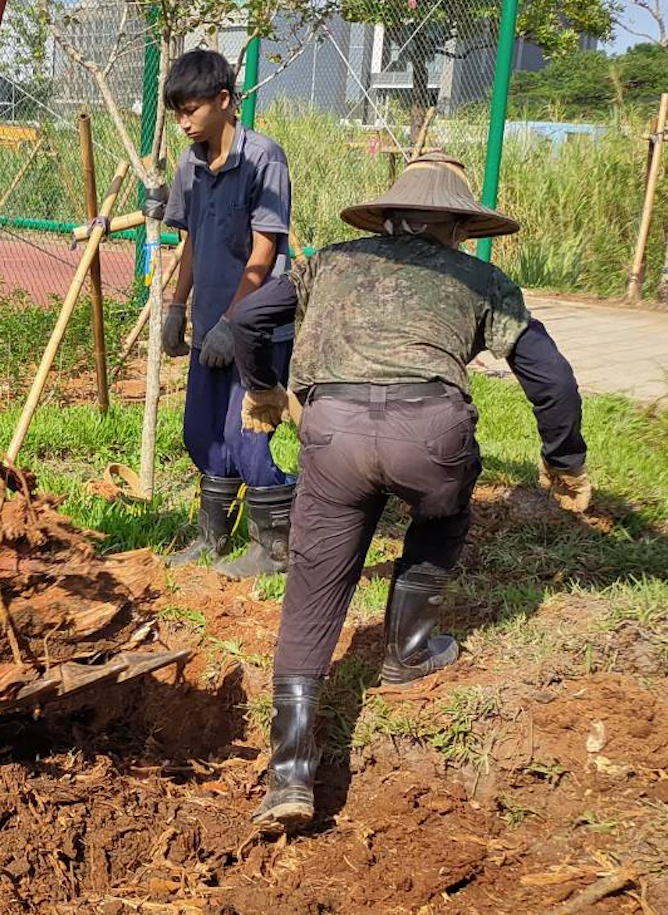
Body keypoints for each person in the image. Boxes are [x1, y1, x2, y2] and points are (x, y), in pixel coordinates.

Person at [227, 152, 590, 833]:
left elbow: (250, 322)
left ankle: (289, 778)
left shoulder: (327, 263)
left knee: (313, 590)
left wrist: (265, 391)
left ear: (389, 215)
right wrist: (563, 459)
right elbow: (552, 377)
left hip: (331, 434)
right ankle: (411, 646)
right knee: (444, 511)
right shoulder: (483, 278)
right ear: (457, 226)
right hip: (431, 435)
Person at [143, 49, 296, 579]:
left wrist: (236, 322)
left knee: (246, 437)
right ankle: (212, 541)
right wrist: (174, 306)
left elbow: (264, 252)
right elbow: (191, 243)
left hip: (257, 330)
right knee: (201, 435)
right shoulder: (191, 163)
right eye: (178, 112)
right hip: (209, 324)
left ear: (225, 101)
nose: (184, 122)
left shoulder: (264, 159)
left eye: (192, 110)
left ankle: (276, 546)